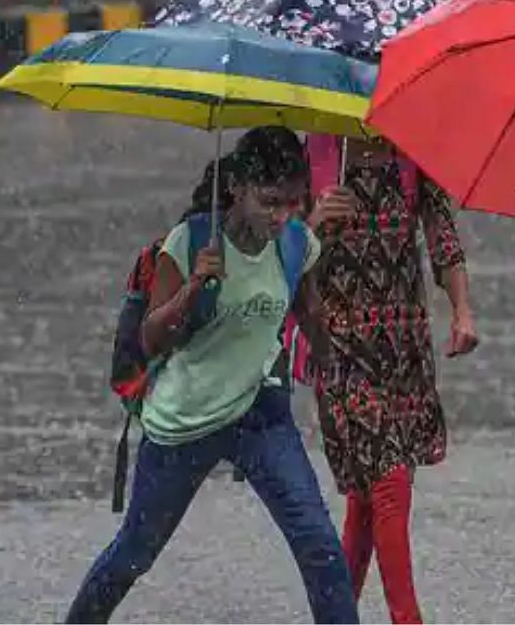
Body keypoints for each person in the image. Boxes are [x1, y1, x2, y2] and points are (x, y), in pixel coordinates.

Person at [65, 126, 359, 624]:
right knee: (134, 553)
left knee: (319, 547)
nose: (281, 216)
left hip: (262, 412)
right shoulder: (191, 240)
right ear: (237, 189)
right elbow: (152, 339)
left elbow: (308, 312)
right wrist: (195, 286)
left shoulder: (293, 242)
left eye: (293, 202)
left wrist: (335, 367)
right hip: (185, 420)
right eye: (270, 202)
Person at [292, 133, 477, 625]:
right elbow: (278, 259)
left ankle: (337, 616)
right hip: (338, 347)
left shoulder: (413, 152)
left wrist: (462, 310)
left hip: (403, 349)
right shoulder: (314, 156)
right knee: (389, 480)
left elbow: (443, 238)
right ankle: (407, 618)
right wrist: (311, 226)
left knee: (367, 503)